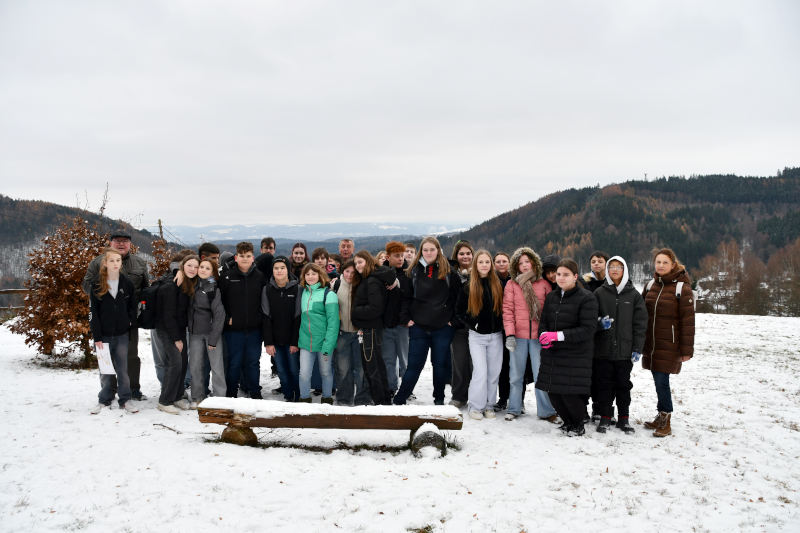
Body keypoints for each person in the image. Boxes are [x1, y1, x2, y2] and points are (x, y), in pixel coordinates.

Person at [393, 237, 461, 406]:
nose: (429, 253)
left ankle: (439, 400)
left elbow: (458, 299)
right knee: (414, 366)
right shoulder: (413, 271)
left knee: (439, 367)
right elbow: (405, 298)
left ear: (438, 250)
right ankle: (400, 399)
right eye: (425, 250)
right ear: (421, 252)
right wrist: (406, 318)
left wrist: (453, 321)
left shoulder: (449, 272)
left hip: (443, 327)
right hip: (419, 327)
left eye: (432, 249)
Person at [82, 229, 149, 400]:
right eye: (117, 240)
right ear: (110, 243)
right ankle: (109, 391)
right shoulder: (97, 263)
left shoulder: (139, 263)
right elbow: (86, 286)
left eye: (125, 241)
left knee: (131, 356)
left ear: (130, 244)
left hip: (129, 320)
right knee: (107, 357)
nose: (121, 244)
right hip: (106, 321)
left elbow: (145, 290)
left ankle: (133, 389)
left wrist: (137, 312)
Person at [536, 259, 598, 436]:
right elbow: (544, 321)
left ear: (575, 276)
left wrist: (558, 336)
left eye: (566, 274)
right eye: (558, 274)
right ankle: (567, 422)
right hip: (553, 353)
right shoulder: (552, 297)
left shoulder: (587, 298)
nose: (561, 278)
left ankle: (577, 424)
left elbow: (588, 329)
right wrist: (543, 335)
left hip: (575, 353)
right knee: (553, 391)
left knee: (569, 393)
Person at [642, 248, 695, 437]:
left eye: (665, 262)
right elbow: (641, 314)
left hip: (670, 345)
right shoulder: (650, 286)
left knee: (661, 380)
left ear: (673, 264)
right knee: (658, 380)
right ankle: (660, 414)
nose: (661, 265)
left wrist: (686, 350)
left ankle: (666, 418)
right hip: (652, 343)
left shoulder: (682, 288)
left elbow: (687, 322)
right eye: (658, 262)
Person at [502, 247, 557, 422]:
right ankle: (514, 408)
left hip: (539, 338)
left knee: (541, 375)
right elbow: (508, 311)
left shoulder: (544, 284)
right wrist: (509, 334)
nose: (525, 265)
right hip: (517, 337)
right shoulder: (512, 284)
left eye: (527, 261)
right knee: (516, 375)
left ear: (534, 262)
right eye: (520, 263)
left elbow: (551, 311)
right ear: (516, 267)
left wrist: (548, 334)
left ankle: (546, 411)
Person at [593, 256, 647, 434]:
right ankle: (606, 417)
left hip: (625, 351)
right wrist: (600, 323)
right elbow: (590, 318)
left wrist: (637, 348)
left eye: (619, 267)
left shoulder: (633, 295)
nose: (615, 270)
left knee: (623, 385)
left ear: (625, 271)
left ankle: (624, 418)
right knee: (604, 384)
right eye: (612, 267)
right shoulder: (600, 293)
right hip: (603, 350)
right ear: (607, 270)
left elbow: (640, 324)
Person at [88, 248, 139, 414]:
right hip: (103, 336)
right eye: (112, 261)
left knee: (122, 370)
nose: (116, 263)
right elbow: (93, 313)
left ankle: (125, 399)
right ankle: (104, 399)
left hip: (122, 334)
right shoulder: (96, 285)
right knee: (105, 370)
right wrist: (97, 337)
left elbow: (133, 307)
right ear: (105, 263)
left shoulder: (127, 283)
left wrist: (130, 322)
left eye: (118, 260)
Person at [455, 250, 504, 420]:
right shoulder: (468, 286)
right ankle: (476, 406)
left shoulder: (498, 284)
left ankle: (489, 405)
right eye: (481, 262)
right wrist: (472, 324)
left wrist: (501, 326)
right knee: (480, 371)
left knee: (493, 371)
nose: (484, 265)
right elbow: (459, 311)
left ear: (491, 265)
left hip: (496, 335)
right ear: (475, 265)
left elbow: (504, 309)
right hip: (477, 337)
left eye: (487, 262)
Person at [219, 242, 266, 399]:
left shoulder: (259, 277)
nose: (245, 259)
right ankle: (231, 393)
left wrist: (260, 320)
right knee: (234, 363)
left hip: (254, 329)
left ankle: (255, 392)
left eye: (248, 256)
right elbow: (220, 303)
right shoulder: (227, 277)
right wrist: (227, 320)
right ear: (236, 257)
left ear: (252, 258)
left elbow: (264, 302)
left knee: (253, 362)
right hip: (233, 331)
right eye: (241, 256)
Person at [351, 250, 397, 405]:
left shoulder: (371, 281)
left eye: (360, 262)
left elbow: (376, 308)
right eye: (356, 263)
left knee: (372, 367)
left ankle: (380, 402)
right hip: (371, 329)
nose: (357, 266)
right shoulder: (372, 278)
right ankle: (384, 400)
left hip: (370, 329)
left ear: (368, 261)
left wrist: (355, 312)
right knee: (376, 364)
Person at [155, 254, 198, 414]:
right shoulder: (171, 286)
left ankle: (178, 395)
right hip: (167, 329)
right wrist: (176, 339)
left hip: (179, 328)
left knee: (183, 362)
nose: (193, 269)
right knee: (175, 363)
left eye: (195, 266)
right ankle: (164, 400)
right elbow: (167, 315)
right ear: (182, 266)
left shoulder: (188, 283)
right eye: (189, 266)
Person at [261, 256, 302, 402]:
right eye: (276, 268)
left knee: (294, 370)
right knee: (282, 371)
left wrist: (294, 342)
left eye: (282, 268)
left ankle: (298, 395)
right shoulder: (267, 289)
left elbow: (298, 317)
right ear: (272, 270)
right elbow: (266, 317)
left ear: (288, 269)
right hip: (276, 340)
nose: (279, 271)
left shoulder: (297, 288)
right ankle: (288, 395)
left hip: (292, 340)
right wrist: (268, 342)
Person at [298, 263, 339, 403]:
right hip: (305, 342)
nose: (310, 276)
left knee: (326, 372)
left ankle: (327, 398)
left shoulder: (329, 294)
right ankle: (304, 399)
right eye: (307, 274)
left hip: (324, 343)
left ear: (320, 275)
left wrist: (328, 345)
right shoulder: (302, 293)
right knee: (304, 373)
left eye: (313, 274)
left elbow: (333, 323)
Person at [187, 258, 226, 407]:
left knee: (217, 366)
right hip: (195, 333)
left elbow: (219, 315)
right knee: (195, 365)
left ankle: (219, 397)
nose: (203, 270)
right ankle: (197, 396)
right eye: (201, 267)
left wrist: (214, 339)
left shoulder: (213, 289)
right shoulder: (191, 284)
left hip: (211, 334)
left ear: (213, 272)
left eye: (207, 268)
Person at [332, 261, 371, 405]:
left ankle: (363, 399)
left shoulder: (363, 285)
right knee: (343, 369)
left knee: (361, 369)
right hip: (342, 334)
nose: (349, 275)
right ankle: (344, 399)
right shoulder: (335, 285)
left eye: (353, 272)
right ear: (342, 271)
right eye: (347, 271)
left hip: (359, 333)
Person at [381, 241, 411, 395]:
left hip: (402, 325)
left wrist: (407, 318)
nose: (400, 259)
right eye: (396, 256)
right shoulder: (382, 273)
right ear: (388, 257)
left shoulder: (408, 273)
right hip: (386, 325)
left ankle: (406, 389)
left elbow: (410, 299)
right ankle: (391, 387)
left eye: (402, 255)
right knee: (389, 360)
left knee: (405, 360)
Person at [448, 240, 475, 408]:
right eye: (461, 253)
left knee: (476, 363)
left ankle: (476, 396)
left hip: (476, 325)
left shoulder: (480, 272)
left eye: (468, 253)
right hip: (458, 325)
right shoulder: (451, 274)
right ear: (456, 256)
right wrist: (451, 319)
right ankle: (458, 396)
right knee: (459, 361)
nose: (465, 256)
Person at [493, 251, 511, 410]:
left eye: (504, 261)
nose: (501, 264)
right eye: (498, 261)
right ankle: (503, 398)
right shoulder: (491, 280)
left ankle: (518, 399)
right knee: (503, 365)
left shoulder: (515, 279)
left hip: (513, 327)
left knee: (517, 366)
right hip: (497, 328)